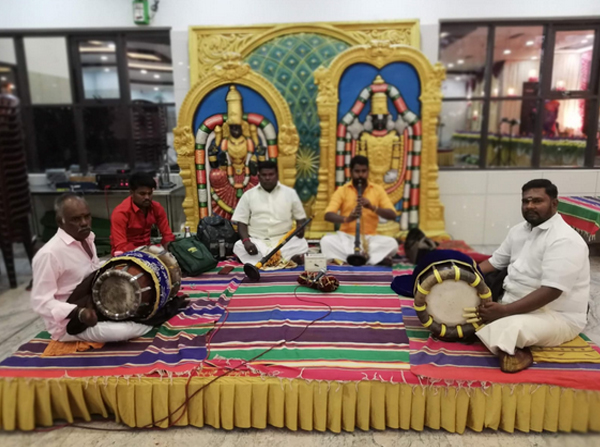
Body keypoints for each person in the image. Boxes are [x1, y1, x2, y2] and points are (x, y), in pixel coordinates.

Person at [476, 179, 590, 373]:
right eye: (526, 201)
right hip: (512, 305)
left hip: (554, 316)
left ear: (554, 204)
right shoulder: (518, 231)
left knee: (508, 328)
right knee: (466, 311)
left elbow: (551, 291)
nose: (529, 206)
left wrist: (505, 311)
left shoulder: (564, 239)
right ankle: (505, 336)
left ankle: (517, 352)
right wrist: (465, 276)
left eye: (537, 201)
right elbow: (494, 263)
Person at [31, 193, 152, 342]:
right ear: (60, 221)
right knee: (123, 331)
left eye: (87, 217)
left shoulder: (87, 238)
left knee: (140, 303)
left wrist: (117, 262)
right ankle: (149, 324)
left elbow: (92, 269)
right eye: (76, 219)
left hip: (94, 303)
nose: (84, 223)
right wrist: (79, 312)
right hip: (70, 323)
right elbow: (40, 302)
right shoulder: (49, 254)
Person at [321, 155, 399, 265]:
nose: (361, 175)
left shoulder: (377, 190)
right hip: (346, 237)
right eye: (357, 171)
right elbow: (328, 215)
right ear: (351, 172)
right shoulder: (342, 190)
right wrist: (348, 219)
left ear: (368, 171)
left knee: (392, 243)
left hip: (370, 238)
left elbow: (393, 215)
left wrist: (372, 207)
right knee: (326, 241)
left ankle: (351, 259)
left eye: (364, 171)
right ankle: (370, 259)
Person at [231, 160, 308, 265]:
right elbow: (241, 222)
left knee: (301, 243)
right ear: (259, 176)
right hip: (258, 242)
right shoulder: (248, 195)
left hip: (283, 241)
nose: (267, 178)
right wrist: (246, 242)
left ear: (277, 175)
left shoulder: (290, 194)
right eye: (264, 175)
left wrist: (300, 228)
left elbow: (300, 218)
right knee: (239, 246)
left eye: (271, 174)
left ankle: (263, 260)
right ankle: (284, 259)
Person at [110, 172, 175, 256]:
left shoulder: (156, 208)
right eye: (142, 194)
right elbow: (121, 245)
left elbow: (167, 236)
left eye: (150, 193)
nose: (147, 197)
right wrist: (146, 252)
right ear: (132, 193)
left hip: (148, 250)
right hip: (127, 253)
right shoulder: (121, 213)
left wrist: (169, 252)